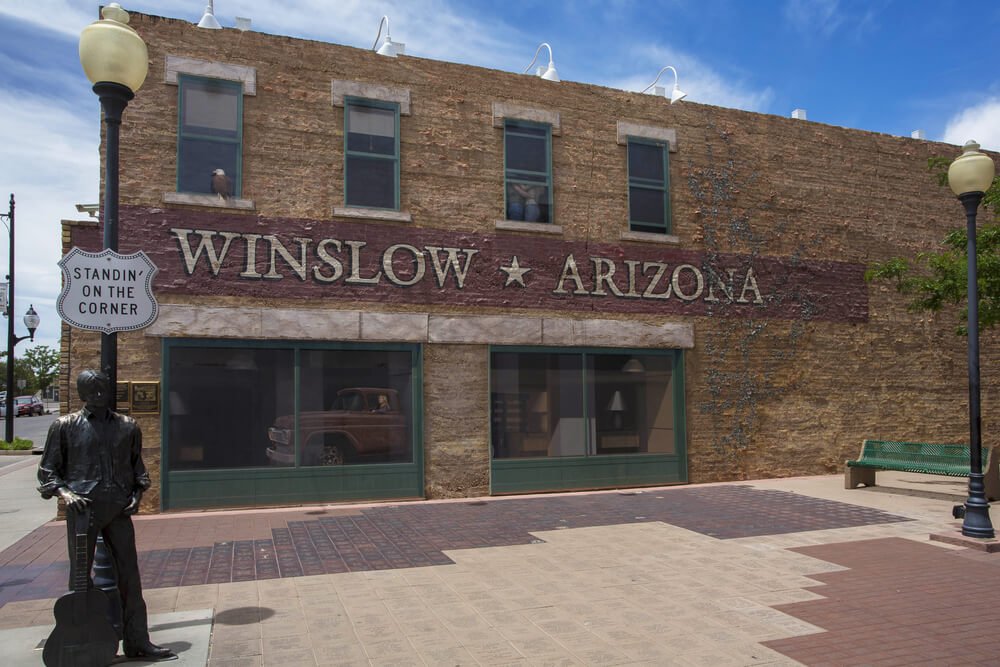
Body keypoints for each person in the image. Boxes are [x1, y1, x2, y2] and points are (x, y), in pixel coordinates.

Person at [37, 370, 176, 661]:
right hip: (83, 509)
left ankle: (138, 640)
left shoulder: (128, 426)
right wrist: (67, 494)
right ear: (81, 393)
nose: (98, 395)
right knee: (80, 580)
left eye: (102, 389)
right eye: (91, 390)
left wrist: (137, 497)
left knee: (130, 577)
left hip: (118, 509)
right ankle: (84, 642)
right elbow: (48, 472)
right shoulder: (65, 426)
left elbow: (139, 471)